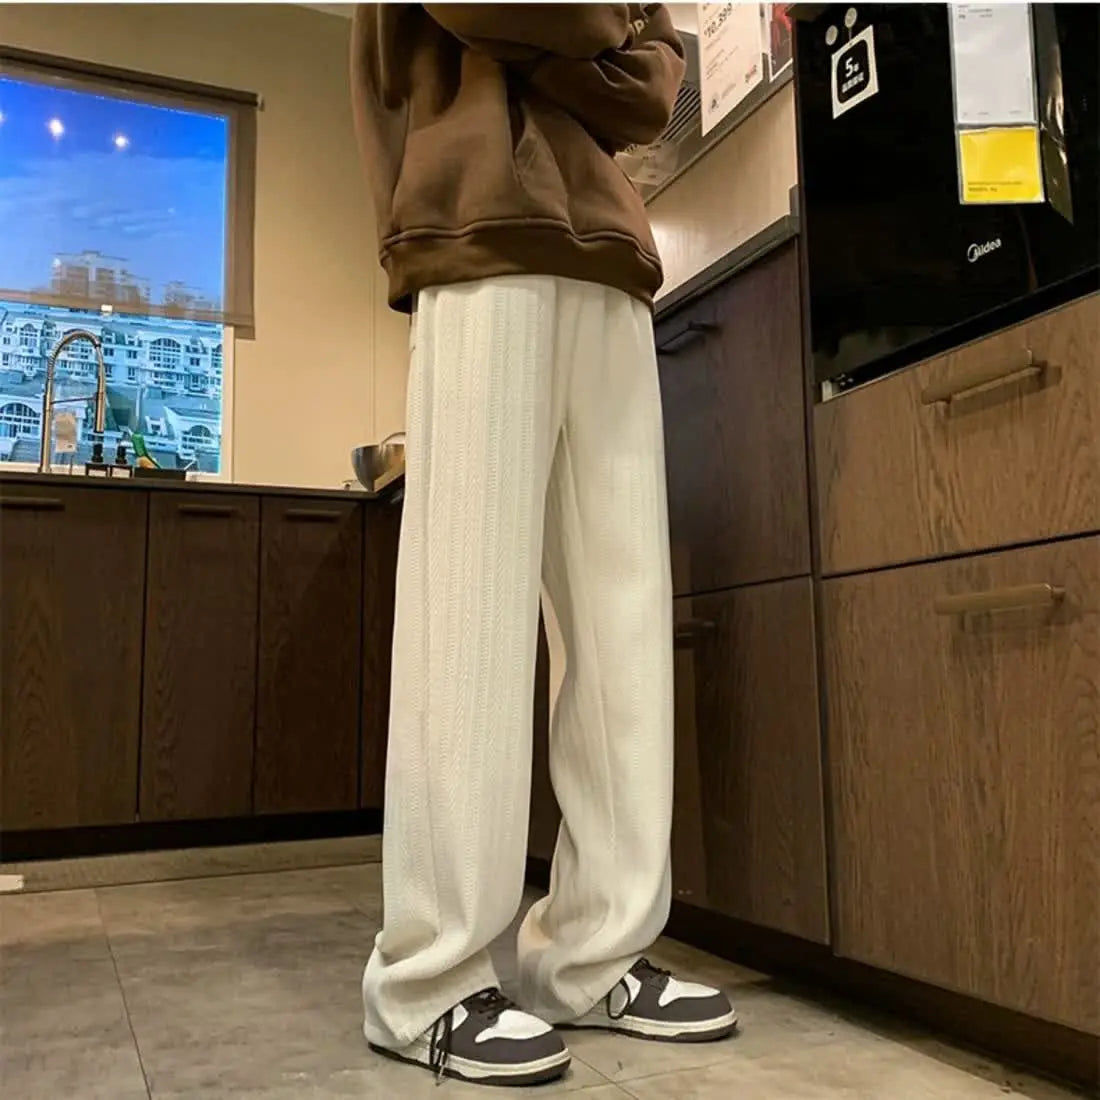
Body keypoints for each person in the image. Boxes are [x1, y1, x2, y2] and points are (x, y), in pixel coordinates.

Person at [350, 4, 737, 1087]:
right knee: (467, 620)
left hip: (609, 252)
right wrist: (609, 28)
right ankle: (425, 979)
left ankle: (591, 955)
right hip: (477, 225)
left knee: (621, 625)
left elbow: (653, 82)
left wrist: (595, 40)